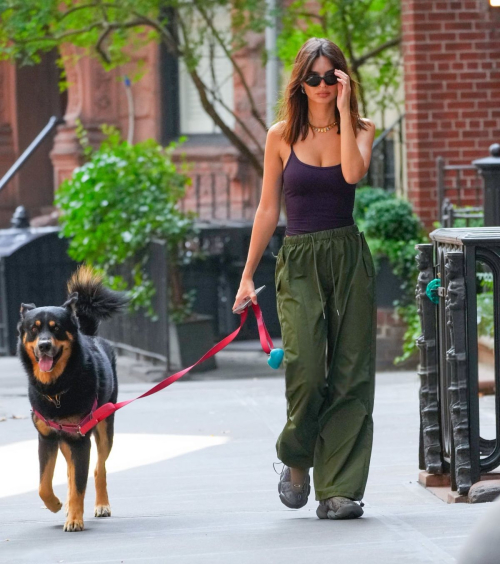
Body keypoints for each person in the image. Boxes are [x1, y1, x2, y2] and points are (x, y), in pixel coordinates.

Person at [232, 37, 377, 520]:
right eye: (312, 77)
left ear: (342, 78)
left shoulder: (360, 128)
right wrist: (247, 275)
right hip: (298, 260)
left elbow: (353, 174)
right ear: (300, 80)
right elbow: (268, 209)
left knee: (351, 375)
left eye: (329, 76)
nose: (319, 85)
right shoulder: (280, 135)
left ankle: (340, 489)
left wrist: (345, 106)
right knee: (308, 369)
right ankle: (297, 456)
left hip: (347, 256)